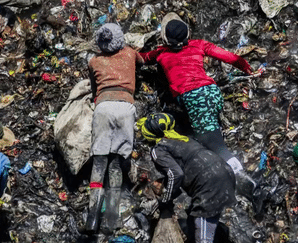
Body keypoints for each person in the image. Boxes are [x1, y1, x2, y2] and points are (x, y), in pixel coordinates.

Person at [139, 12, 252, 178]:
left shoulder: (161, 53)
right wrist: (245, 66)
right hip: (212, 92)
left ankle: (242, 178)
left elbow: (143, 58)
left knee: (215, 144)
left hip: (195, 98)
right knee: (209, 131)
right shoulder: (198, 44)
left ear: (166, 39)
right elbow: (227, 56)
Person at [137, 113, 236, 243]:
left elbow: (175, 174)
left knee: (204, 237)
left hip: (209, 184)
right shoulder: (183, 139)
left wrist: (165, 200)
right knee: (195, 219)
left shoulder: (158, 149)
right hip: (226, 172)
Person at [86, 23, 144, 234]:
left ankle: (92, 219)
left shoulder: (93, 61)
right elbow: (144, 61)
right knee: (117, 163)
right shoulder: (129, 53)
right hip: (125, 107)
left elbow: (94, 89)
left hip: (102, 107)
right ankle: (112, 217)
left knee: (99, 161)